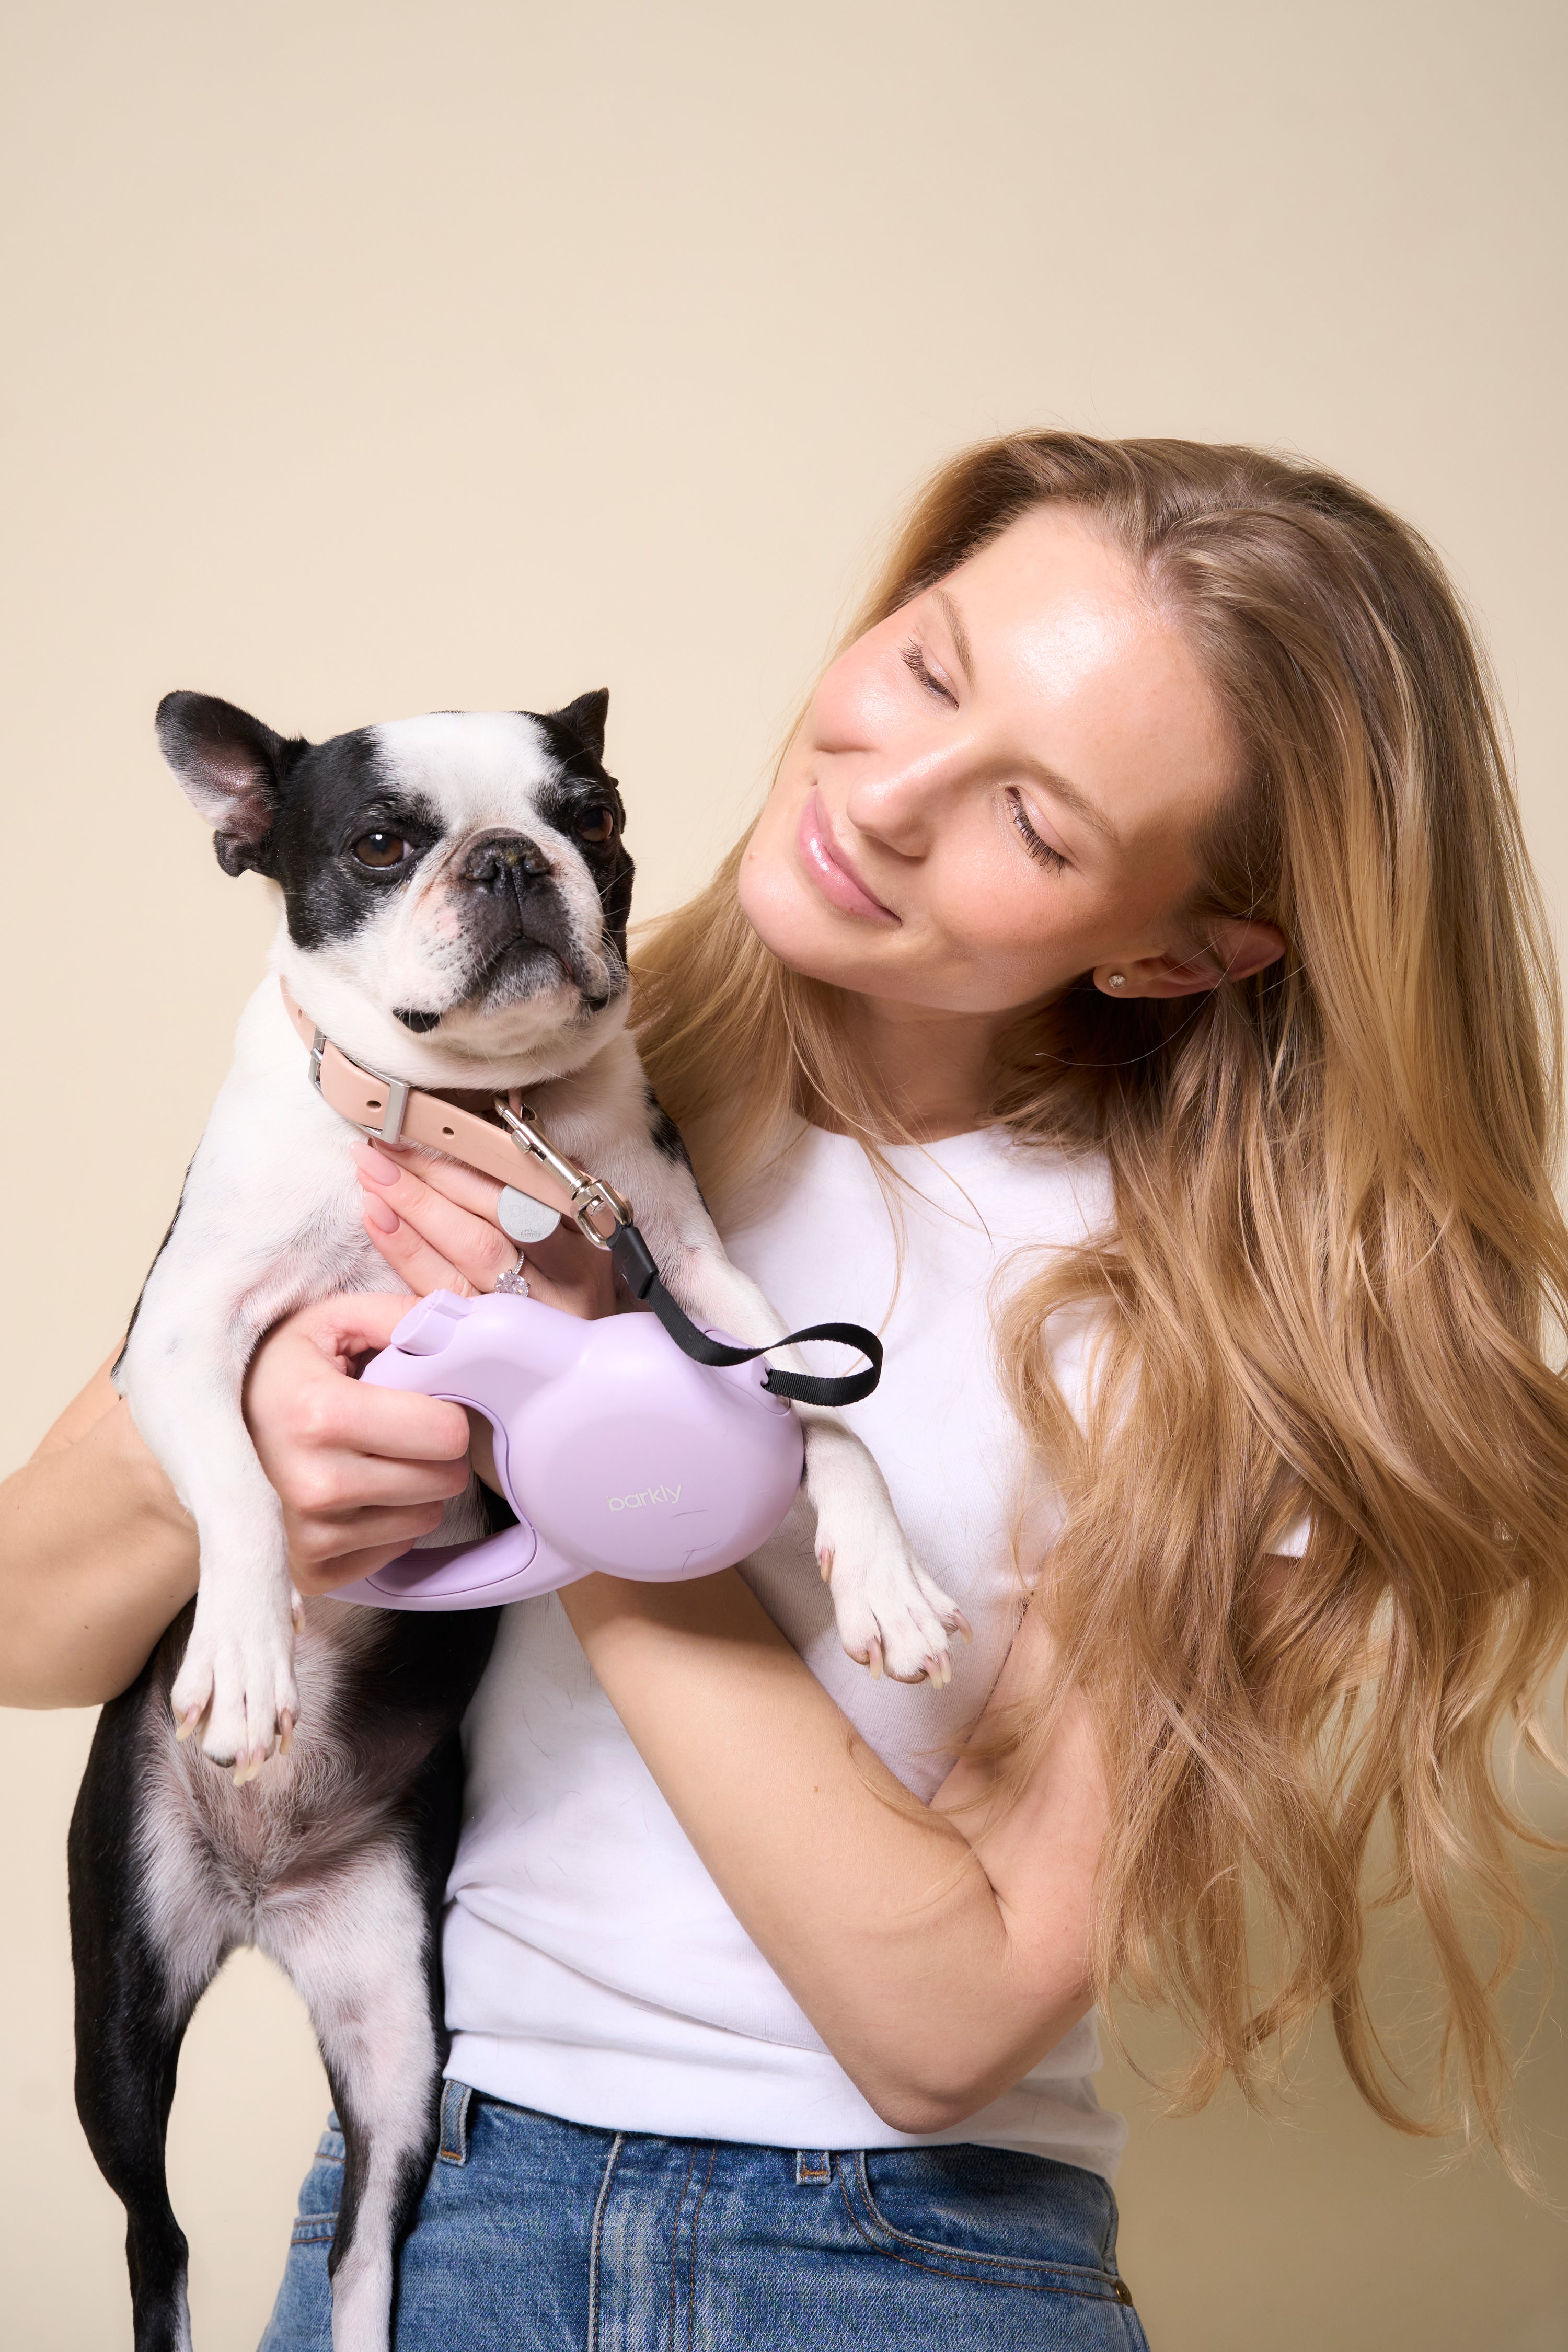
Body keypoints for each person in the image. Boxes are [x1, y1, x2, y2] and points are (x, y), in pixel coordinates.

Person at [9, 432, 1568, 2349]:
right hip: (436, 2211)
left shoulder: (1252, 1324)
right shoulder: (514, 1053)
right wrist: (246, 1452)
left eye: (1038, 821)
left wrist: (574, 1429)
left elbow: (942, 2029)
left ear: (1178, 950)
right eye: (927, 666)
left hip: (906, 2258)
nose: (892, 796)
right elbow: (26, 1618)